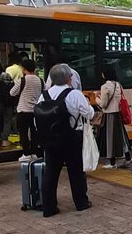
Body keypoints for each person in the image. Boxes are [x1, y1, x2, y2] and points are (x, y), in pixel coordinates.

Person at [37, 63, 92, 217]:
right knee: (76, 171)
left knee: (51, 172)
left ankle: (49, 207)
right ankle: (81, 203)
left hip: (50, 140)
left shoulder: (44, 96)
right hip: (71, 138)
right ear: (68, 78)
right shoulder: (74, 94)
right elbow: (88, 114)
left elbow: (38, 119)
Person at [98, 66, 131, 169]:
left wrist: (96, 98)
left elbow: (103, 104)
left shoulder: (105, 87)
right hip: (118, 114)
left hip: (109, 115)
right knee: (121, 137)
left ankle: (112, 163)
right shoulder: (118, 85)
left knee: (110, 139)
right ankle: (128, 157)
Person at [12, 57, 43, 161]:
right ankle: (34, 153)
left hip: (23, 110)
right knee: (34, 132)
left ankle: (26, 153)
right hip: (36, 110)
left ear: (24, 69)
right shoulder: (40, 80)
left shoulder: (22, 80)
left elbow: (12, 92)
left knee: (23, 133)